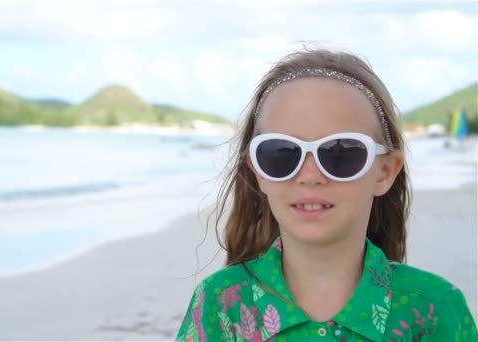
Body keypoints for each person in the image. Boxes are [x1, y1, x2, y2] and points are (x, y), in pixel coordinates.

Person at [175, 49, 477, 341]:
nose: (310, 176)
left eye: (340, 152)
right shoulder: (220, 305)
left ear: (385, 171)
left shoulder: (432, 308)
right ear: (257, 170)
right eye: (282, 153)